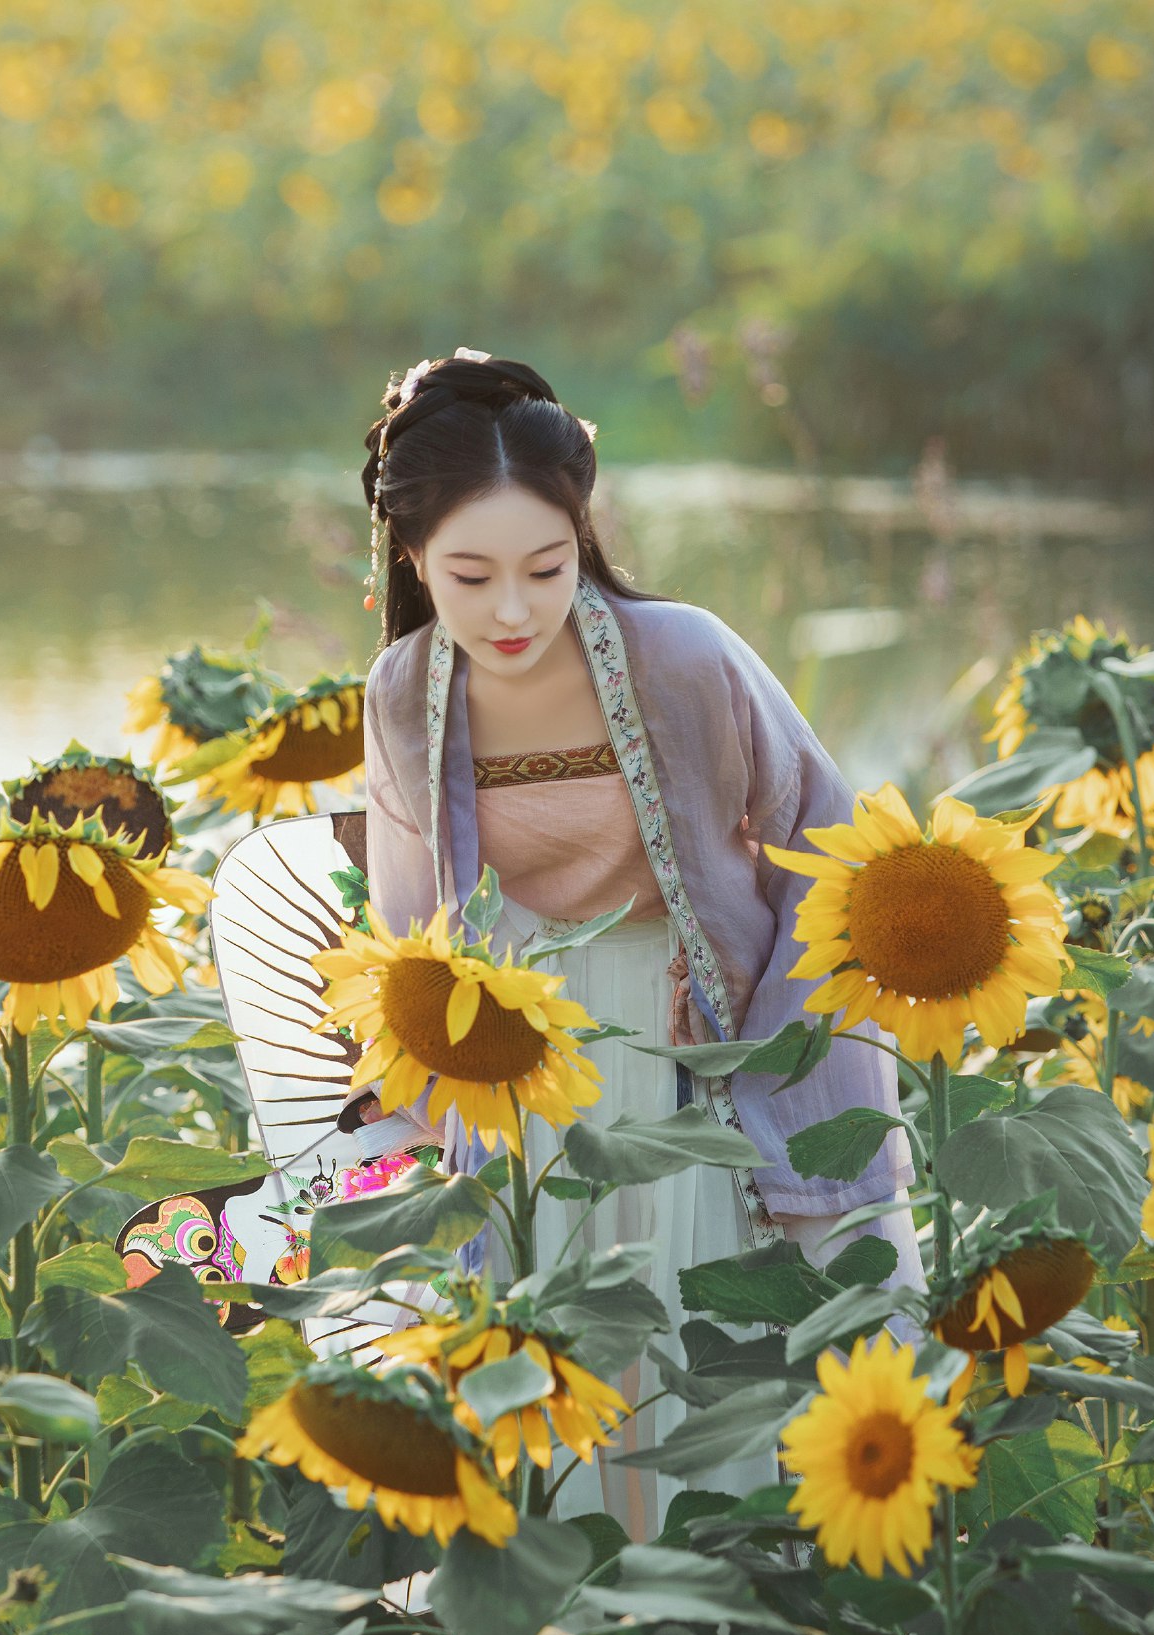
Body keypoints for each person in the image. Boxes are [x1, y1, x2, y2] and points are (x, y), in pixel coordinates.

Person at [353, 348, 925, 1540]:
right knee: (540, 1390)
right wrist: (393, 1145)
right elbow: (410, 942)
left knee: (720, 1375)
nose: (512, 610)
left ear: (581, 536)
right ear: (409, 557)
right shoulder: (402, 694)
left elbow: (833, 846)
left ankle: (742, 1628)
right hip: (525, 1066)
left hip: (699, 1044)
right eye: (469, 574)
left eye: (544, 567)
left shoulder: (687, 658)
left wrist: (768, 1063)